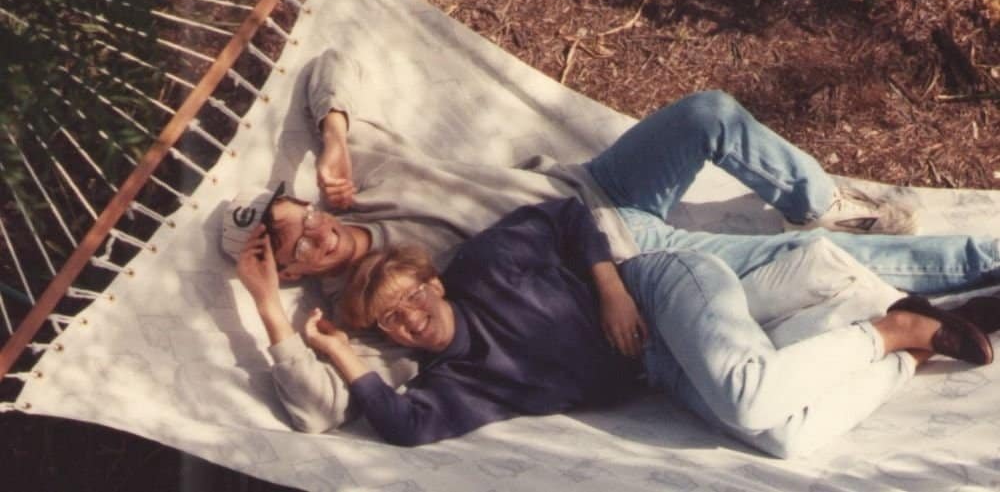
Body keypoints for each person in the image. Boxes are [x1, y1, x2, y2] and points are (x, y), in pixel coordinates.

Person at [220, 49, 1000, 430]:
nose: (313, 231)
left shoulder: (360, 174)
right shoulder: (369, 307)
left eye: (298, 215)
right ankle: (981, 263)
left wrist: (331, 134)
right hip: (621, 250)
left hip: (592, 189)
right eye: (291, 246)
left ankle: (820, 201)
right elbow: (321, 411)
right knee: (852, 272)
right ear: (288, 270)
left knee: (709, 114)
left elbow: (331, 62)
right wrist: (270, 313)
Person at [261, 198, 998, 457]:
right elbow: (401, 425)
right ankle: (923, 341)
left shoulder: (482, 267)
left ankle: (889, 327)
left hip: (660, 288)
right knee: (788, 435)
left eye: (411, 295)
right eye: (392, 320)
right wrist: (320, 341)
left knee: (748, 395)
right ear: (387, 334)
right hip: (658, 367)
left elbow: (565, 214)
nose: (411, 316)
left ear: (429, 278)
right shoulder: (460, 383)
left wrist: (610, 284)